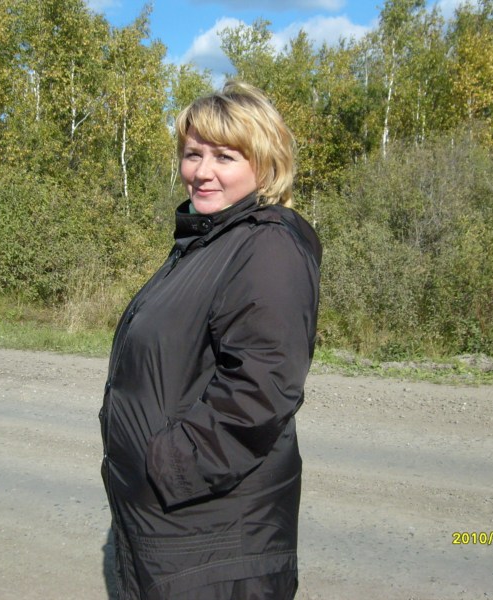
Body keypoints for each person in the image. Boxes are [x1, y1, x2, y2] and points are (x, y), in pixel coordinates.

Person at [99, 80, 321, 600]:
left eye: (225, 156)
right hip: (175, 523)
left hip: (215, 531)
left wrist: (170, 466)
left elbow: (262, 387)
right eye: (193, 154)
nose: (202, 171)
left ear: (265, 164)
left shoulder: (267, 245)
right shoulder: (209, 241)